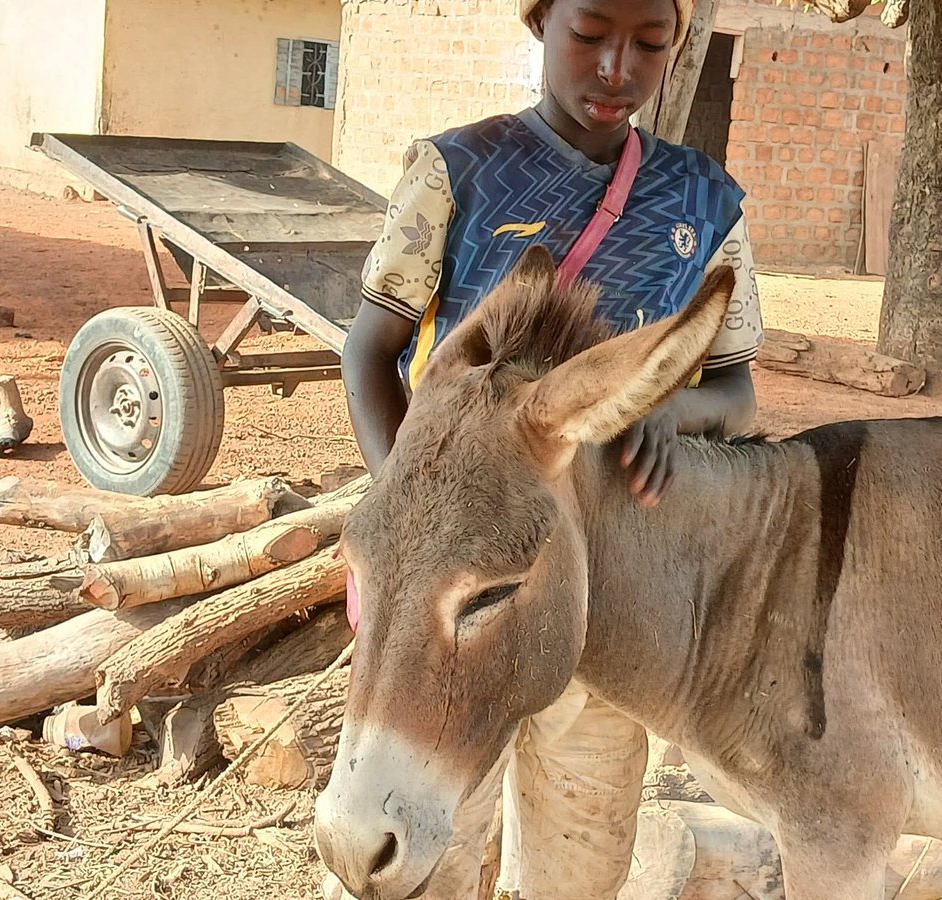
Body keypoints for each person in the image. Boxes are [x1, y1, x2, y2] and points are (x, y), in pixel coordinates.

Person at [338, 0, 765, 896]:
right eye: (591, 34)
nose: (617, 67)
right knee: (411, 850)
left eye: (651, 44)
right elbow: (370, 349)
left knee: (580, 860)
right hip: (454, 610)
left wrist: (671, 410)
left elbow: (735, 387)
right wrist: (423, 526)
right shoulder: (455, 168)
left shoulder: (705, 201)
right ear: (540, 23)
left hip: (610, 597)